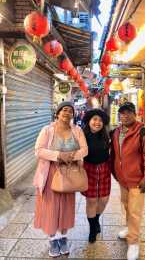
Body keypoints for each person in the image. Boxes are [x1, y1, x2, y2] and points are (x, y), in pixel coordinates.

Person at [33, 101, 88, 257]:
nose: (67, 113)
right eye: (64, 110)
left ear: (73, 114)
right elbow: (38, 150)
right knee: (50, 207)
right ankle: (52, 239)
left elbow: (85, 149)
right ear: (57, 113)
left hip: (69, 173)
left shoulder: (77, 130)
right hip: (50, 173)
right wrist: (58, 155)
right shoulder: (47, 130)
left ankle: (63, 237)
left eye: (70, 111)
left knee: (66, 206)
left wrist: (71, 156)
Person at [110, 102, 145, 260]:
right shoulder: (116, 132)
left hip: (137, 180)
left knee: (135, 212)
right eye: (122, 113)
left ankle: (134, 242)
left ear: (134, 114)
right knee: (126, 206)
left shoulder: (143, 132)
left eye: (129, 112)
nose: (125, 115)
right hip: (122, 179)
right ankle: (129, 229)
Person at [81, 109, 111, 243]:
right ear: (89, 121)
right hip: (88, 169)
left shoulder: (107, 135)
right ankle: (93, 228)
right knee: (91, 200)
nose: (97, 122)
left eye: (100, 120)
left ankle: (96, 219)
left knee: (104, 199)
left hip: (104, 168)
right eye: (94, 119)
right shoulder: (81, 135)